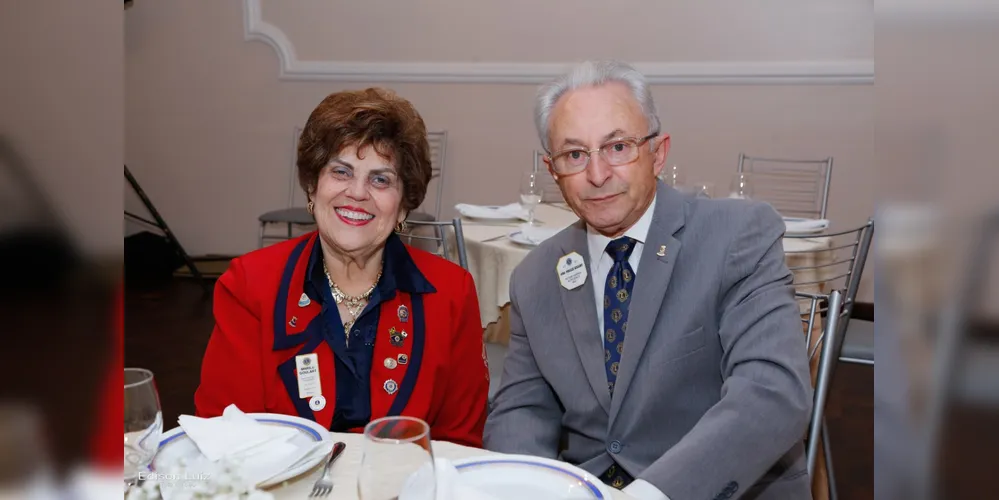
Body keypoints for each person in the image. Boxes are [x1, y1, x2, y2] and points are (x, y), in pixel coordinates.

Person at [484, 60, 814, 499]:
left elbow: (771, 394)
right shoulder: (536, 276)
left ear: (658, 153)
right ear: (553, 170)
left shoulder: (736, 235)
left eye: (618, 147)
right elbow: (522, 412)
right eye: (575, 155)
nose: (597, 175)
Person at [195, 88, 489, 447]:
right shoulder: (250, 285)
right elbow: (223, 433)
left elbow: (459, 444)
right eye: (341, 171)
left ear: (402, 207)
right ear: (311, 187)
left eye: (380, 179)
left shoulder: (451, 293)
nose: (358, 193)